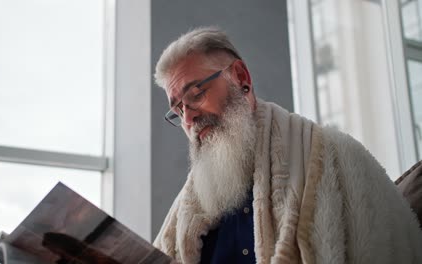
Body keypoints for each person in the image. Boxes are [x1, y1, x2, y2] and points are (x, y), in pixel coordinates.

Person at [152, 27, 422, 264]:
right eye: (178, 109)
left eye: (196, 94)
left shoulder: (335, 156)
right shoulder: (189, 206)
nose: (188, 117)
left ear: (240, 76)